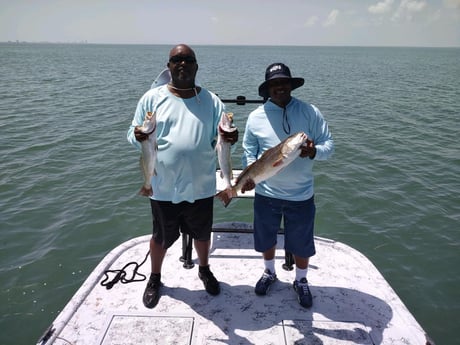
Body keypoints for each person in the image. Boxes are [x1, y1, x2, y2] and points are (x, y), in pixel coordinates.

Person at [127, 44, 238, 309]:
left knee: (202, 234)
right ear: (169, 66)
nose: (183, 64)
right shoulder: (151, 99)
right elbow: (131, 135)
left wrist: (231, 136)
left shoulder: (212, 101)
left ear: (196, 67)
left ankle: (204, 269)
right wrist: (138, 135)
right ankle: (155, 277)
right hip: (163, 187)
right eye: (177, 60)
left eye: (188, 60)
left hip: (201, 186)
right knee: (160, 237)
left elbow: (222, 136)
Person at [241, 63, 334, 308]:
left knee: (301, 242)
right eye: (274, 83)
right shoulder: (255, 117)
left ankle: (301, 280)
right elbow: (249, 153)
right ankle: (270, 272)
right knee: (266, 238)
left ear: (291, 85)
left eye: (283, 82)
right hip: (266, 192)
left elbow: (329, 146)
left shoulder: (310, 112)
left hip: (301, 194)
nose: (279, 87)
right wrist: (250, 176)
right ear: (268, 88)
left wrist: (314, 152)